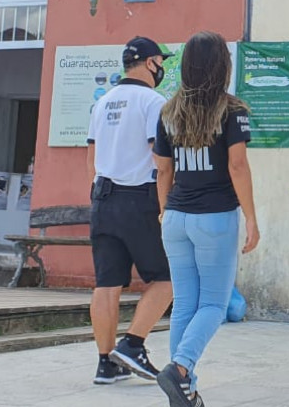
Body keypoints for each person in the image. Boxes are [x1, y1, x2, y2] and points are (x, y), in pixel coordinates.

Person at [152, 31, 260, 407]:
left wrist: (165, 210)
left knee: (184, 305)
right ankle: (180, 369)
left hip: (176, 217)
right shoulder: (233, 111)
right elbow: (237, 165)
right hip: (214, 219)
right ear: (223, 67)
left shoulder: (168, 112)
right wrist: (251, 217)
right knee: (213, 305)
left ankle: (186, 391)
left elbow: (162, 172)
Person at [86, 36, 174, 384]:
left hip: (102, 197)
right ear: (152, 62)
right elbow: (161, 157)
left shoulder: (103, 102)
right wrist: (167, 203)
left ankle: (105, 363)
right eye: (160, 62)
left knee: (107, 283)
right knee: (168, 279)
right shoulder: (153, 102)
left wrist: (97, 195)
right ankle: (132, 344)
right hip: (141, 198)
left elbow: (90, 158)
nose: (162, 68)